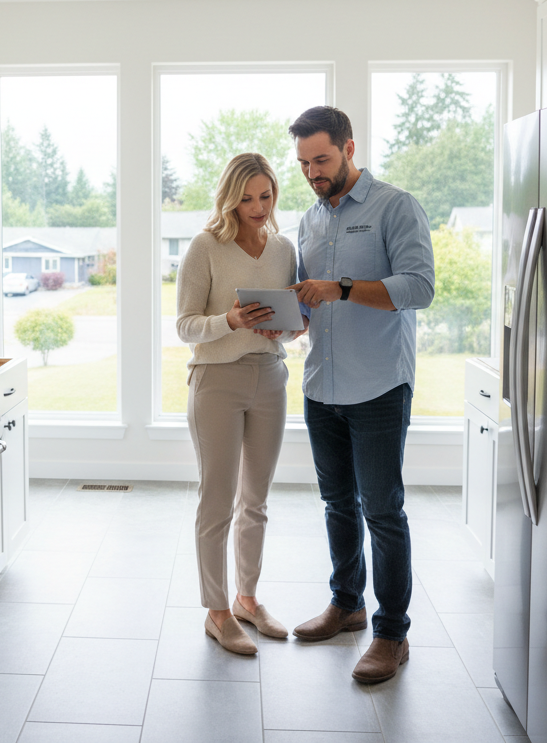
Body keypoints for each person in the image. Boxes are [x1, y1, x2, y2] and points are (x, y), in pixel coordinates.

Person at [286, 105, 435, 683]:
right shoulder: (308, 220)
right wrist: (287, 317)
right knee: (337, 505)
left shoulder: (395, 207)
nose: (313, 173)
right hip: (320, 386)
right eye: (304, 164)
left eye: (321, 160)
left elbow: (418, 288)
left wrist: (343, 287)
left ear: (349, 148)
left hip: (378, 388)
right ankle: (346, 603)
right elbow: (312, 302)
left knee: (382, 512)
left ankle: (391, 633)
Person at [176, 152, 302, 655]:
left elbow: (293, 322)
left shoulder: (284, 249)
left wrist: (284, 329)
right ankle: (217, 611)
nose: (257, 206)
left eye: (265, 196)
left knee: (256, 500)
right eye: (246, 198)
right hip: (216, 381)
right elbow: (185, 326)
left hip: (269, 377)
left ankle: (247, 599)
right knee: (217, 501)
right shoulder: (205, 246)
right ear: (230, 198)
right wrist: (229, 321)